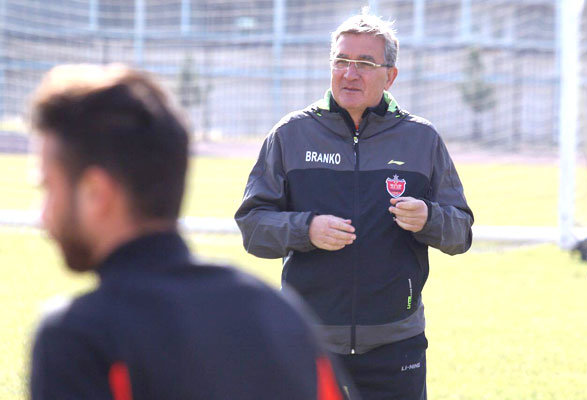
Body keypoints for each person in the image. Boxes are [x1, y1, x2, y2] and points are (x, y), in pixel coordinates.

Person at [29, 64, 346, 400]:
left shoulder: (81, 337)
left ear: (96, 193)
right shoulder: (280, 315)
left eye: (48, 188)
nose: (42, 218)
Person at [235, 10, 473, 400]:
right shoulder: (291, 134)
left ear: (390, 75)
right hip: (307, 340)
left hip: (396, 343)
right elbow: (253, 227)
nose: (350, 73)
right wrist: (306, 229)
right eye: (341, 60)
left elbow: (460, 232)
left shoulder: (421, 139)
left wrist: (428, 218)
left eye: (365, 63)